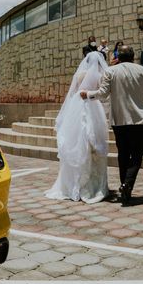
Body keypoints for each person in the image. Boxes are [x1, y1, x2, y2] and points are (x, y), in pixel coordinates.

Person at [80, 45, 143, 204]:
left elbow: (103, 93)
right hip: (138, 120)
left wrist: (88, 94)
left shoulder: (111, 71)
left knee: (123, 154)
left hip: (119, 121)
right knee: (138, 153)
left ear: (118, 57)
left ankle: (124, 186)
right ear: (134, 56)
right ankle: (128, 184)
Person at [45, 52, 109, 204]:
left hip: (76, 105)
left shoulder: (79, 74)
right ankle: (90, 185)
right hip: (92, 105)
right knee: (91, 141)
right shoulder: (100, 75)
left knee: (77, 140)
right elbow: (102, 94)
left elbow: (73, 92)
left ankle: (72, 184)